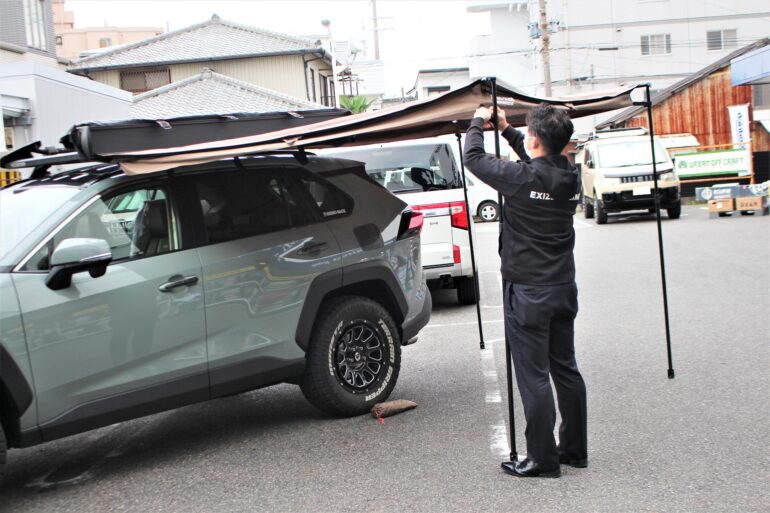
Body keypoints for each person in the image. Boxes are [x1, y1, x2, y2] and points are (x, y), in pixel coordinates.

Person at [463, 104, 587, 479]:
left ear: (534, 141)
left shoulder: (521, 178)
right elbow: (540, 159)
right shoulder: (570, 177)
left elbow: (473, 157)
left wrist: (477, 120)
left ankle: (543, 459)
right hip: (562, 287)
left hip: (529, 291)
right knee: (565, 368)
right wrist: (506, 129)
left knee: (533, 375)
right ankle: (574, 449)